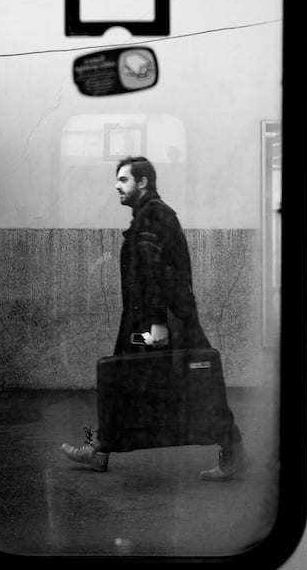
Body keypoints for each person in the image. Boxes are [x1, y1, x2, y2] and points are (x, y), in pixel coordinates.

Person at [61, 156, 246, 481]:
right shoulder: (148, 216)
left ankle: (232, 449)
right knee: (127, 384)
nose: (116, 185)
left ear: (142, 182)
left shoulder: (154, 217)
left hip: (159, 324)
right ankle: (101, 450)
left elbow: (159, 277)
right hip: (155, 322)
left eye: (123, 179)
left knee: (192, 386)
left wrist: (153, 332)